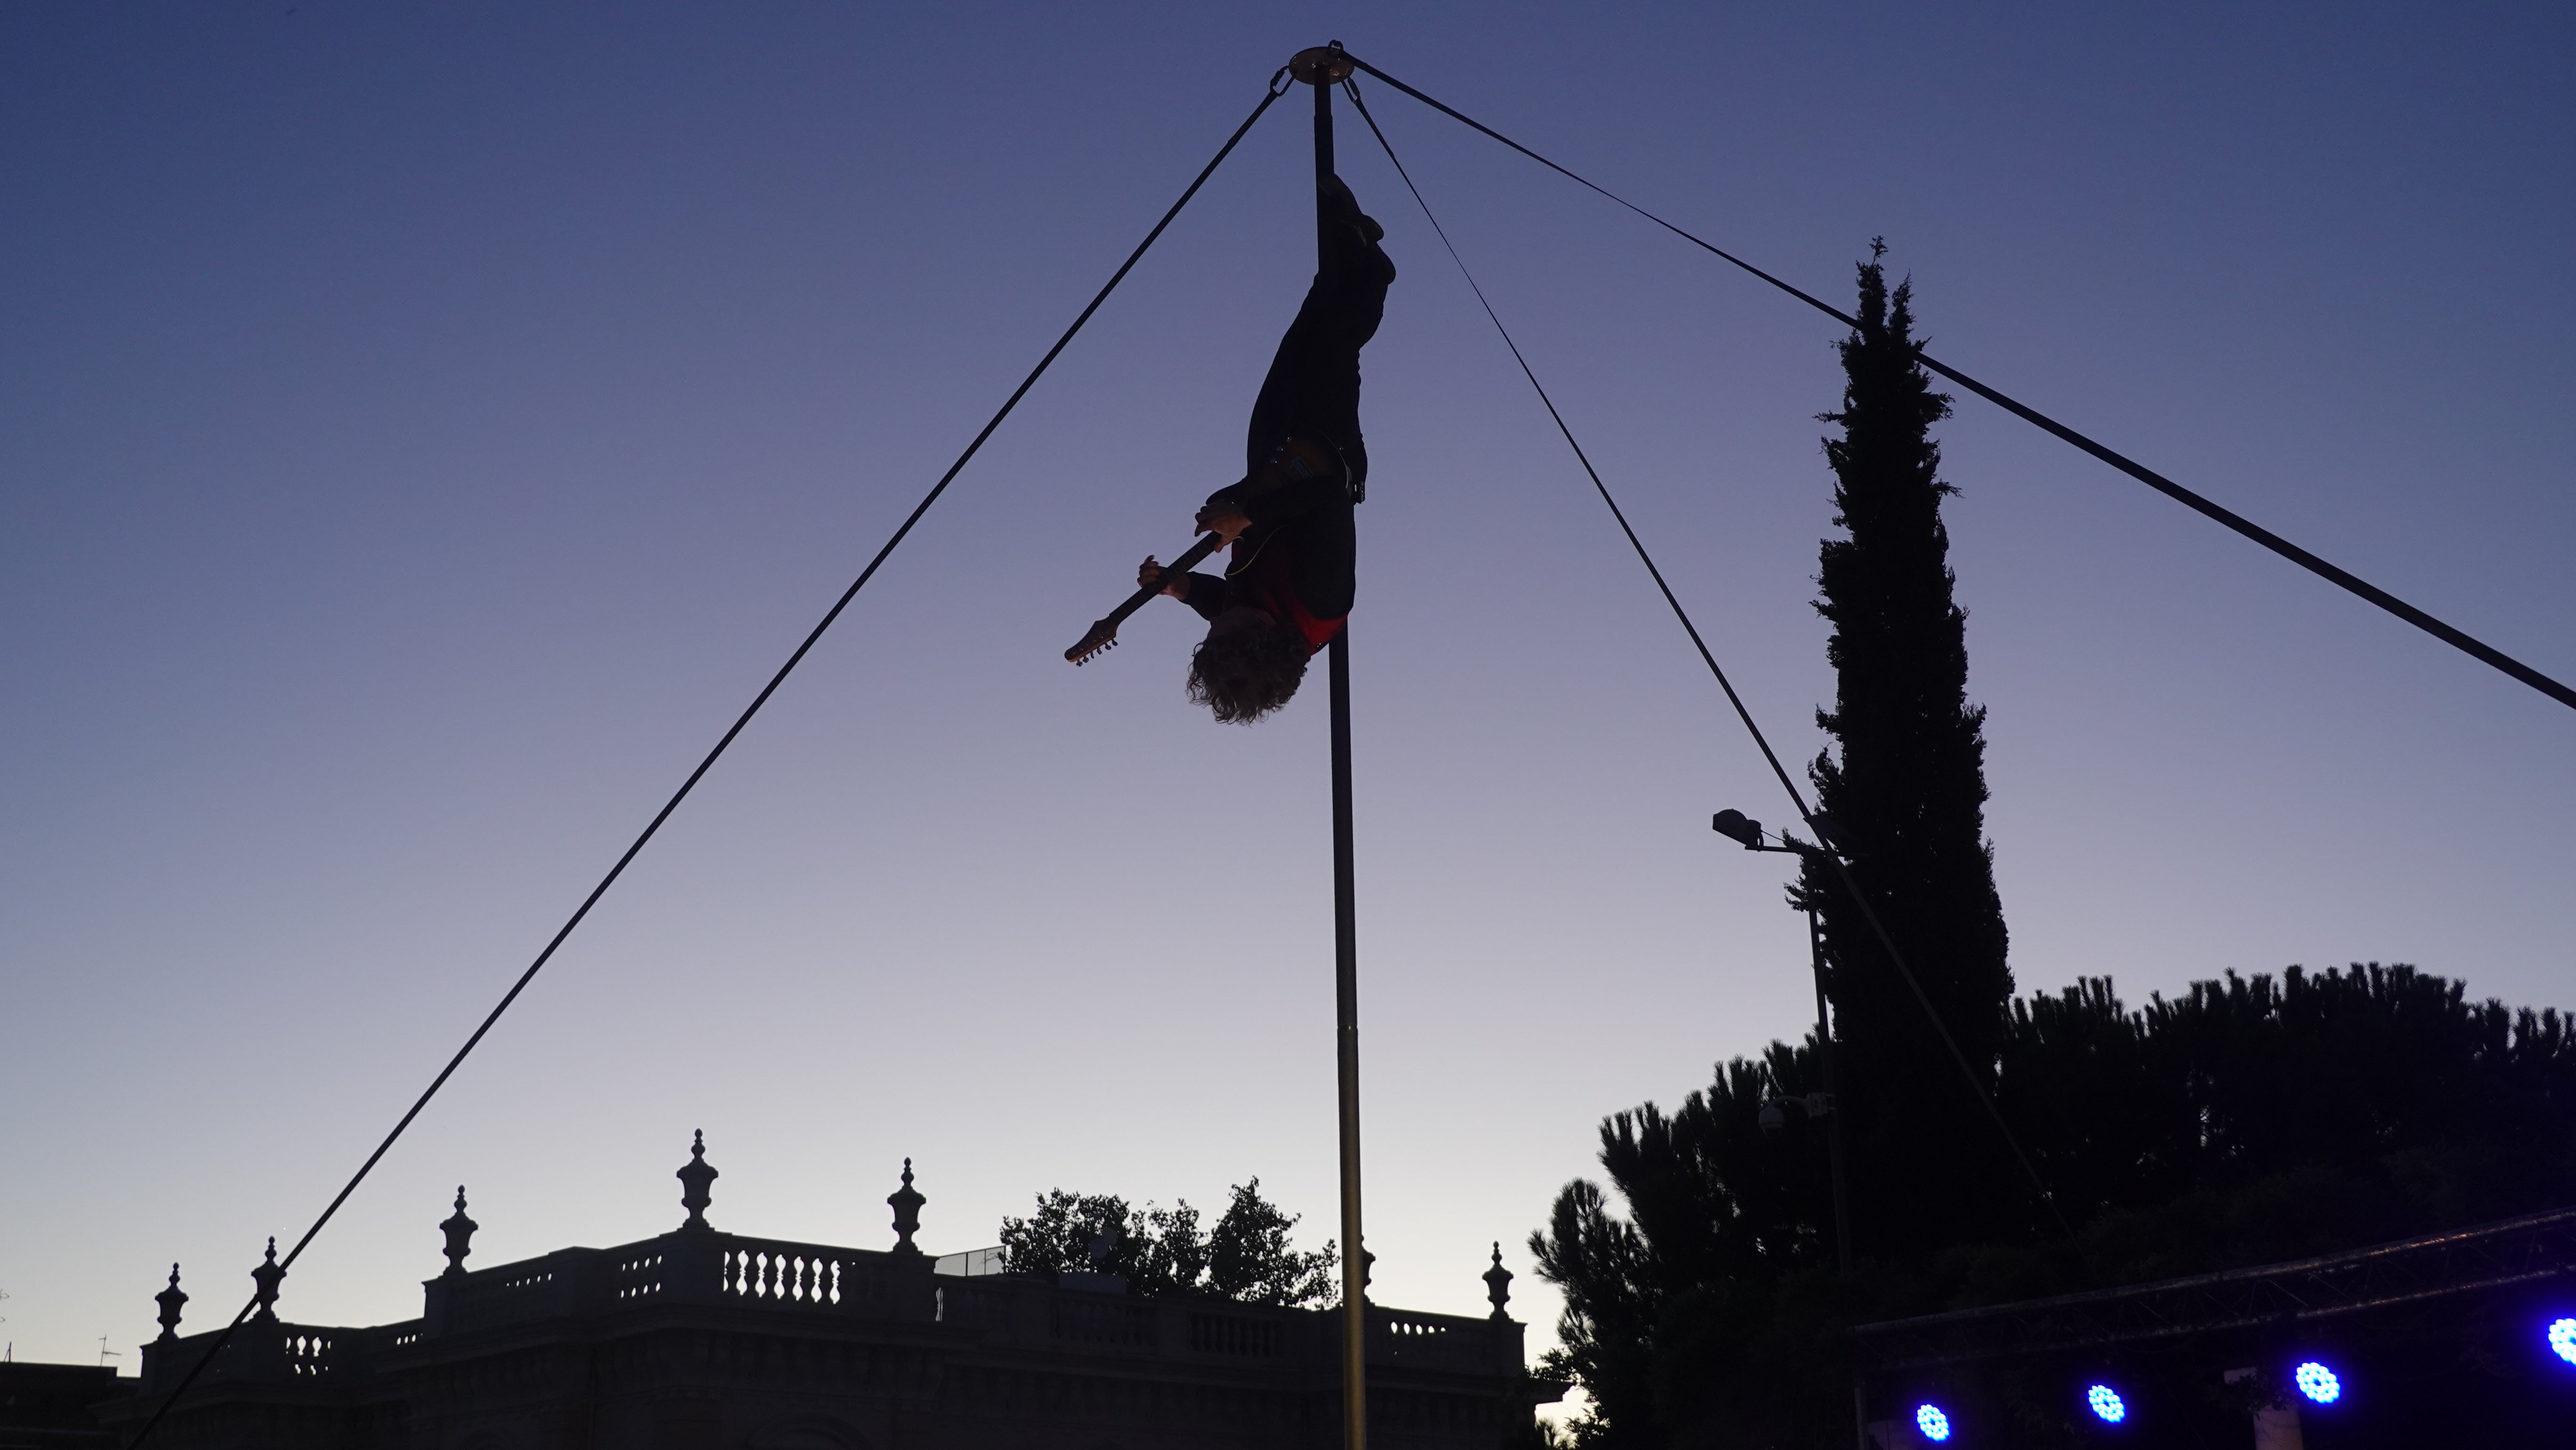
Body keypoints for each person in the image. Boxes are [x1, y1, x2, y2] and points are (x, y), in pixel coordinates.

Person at [1136, 175, 1395, 724]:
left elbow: (1224, 602)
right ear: (1269, 636)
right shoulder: (1322, 602)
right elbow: (1329, 498)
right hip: (1324, 451)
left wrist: (1181, 588)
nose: (1224, 618)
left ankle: (1350, 244)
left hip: (1271, 461)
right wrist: (1245, 517)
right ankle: (1373, 269)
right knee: (1332, 348)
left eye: (1217, 630)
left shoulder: (1242, 622)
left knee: (1300, 339)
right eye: (1234, 626)